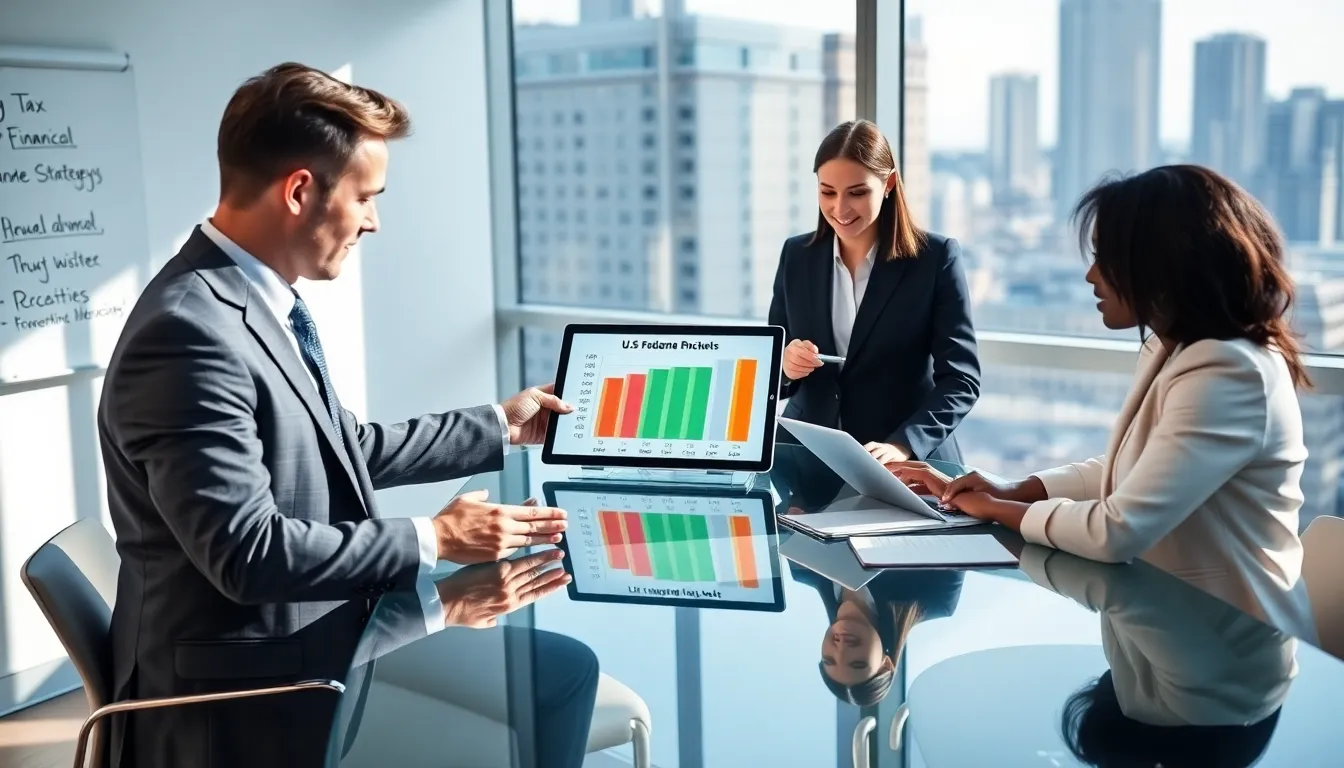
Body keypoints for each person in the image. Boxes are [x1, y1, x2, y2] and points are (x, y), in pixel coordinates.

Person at [97, 63, 570, 768]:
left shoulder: (253, 299)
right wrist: (434, 539)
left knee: (557, 675)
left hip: (304, 636)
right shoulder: (188, 333)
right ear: (299, 191)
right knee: (546, 692)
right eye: (367, 197)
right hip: (246, 694)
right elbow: (248, 554)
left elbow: (338, 444)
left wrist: (502, 425)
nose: (374, 221)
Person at [889, 165, 1318, 641]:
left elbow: (1117, 532)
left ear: (1163, 263)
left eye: (1105, 258)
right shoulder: (1173, 346)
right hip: (1166, 633)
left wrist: (992, 508)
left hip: (1228, 654)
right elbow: (1134, 469)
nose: (1091, 275)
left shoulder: (1229, 372)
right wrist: (1014, 490)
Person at [768, 119, 980, 465]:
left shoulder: (935, 259)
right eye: (827, 192)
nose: (840, 208)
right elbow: (770, 369)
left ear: (888, 184)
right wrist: (787, 367)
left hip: (903, 461)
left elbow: (961, 380)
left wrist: (903, 444)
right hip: (807, 457)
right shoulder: (797, 256)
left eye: (857, 192)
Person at [790, 563, 963, 706]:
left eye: (829, 659)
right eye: (858, 663)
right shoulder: (935, 596)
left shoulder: (803, 568)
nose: (841, 650)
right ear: (886, 664)